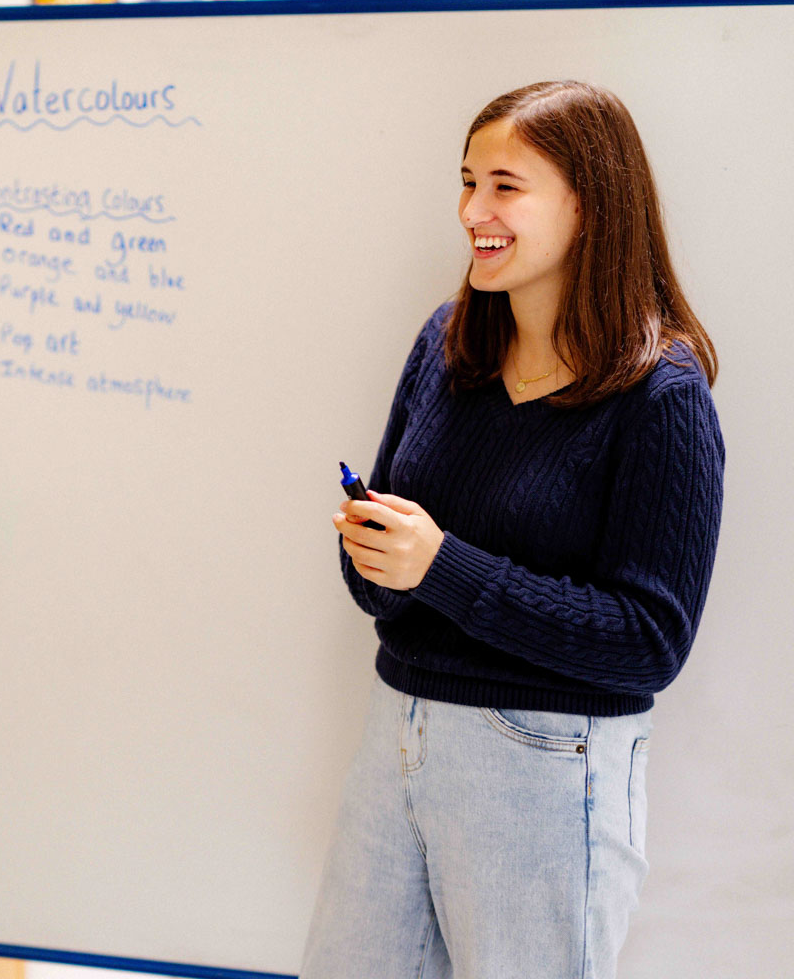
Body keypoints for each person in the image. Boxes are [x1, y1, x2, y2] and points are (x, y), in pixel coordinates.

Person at [300, 81, 725, 979]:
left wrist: (442, 567)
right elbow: (393, 583)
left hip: (546, 767)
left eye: (505, 186)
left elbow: (649, 642)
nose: (472, 212)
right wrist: (379, 554)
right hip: (399, 737)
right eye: (467, 183)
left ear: (589, 205)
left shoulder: (662, 397)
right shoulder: (447, 344)